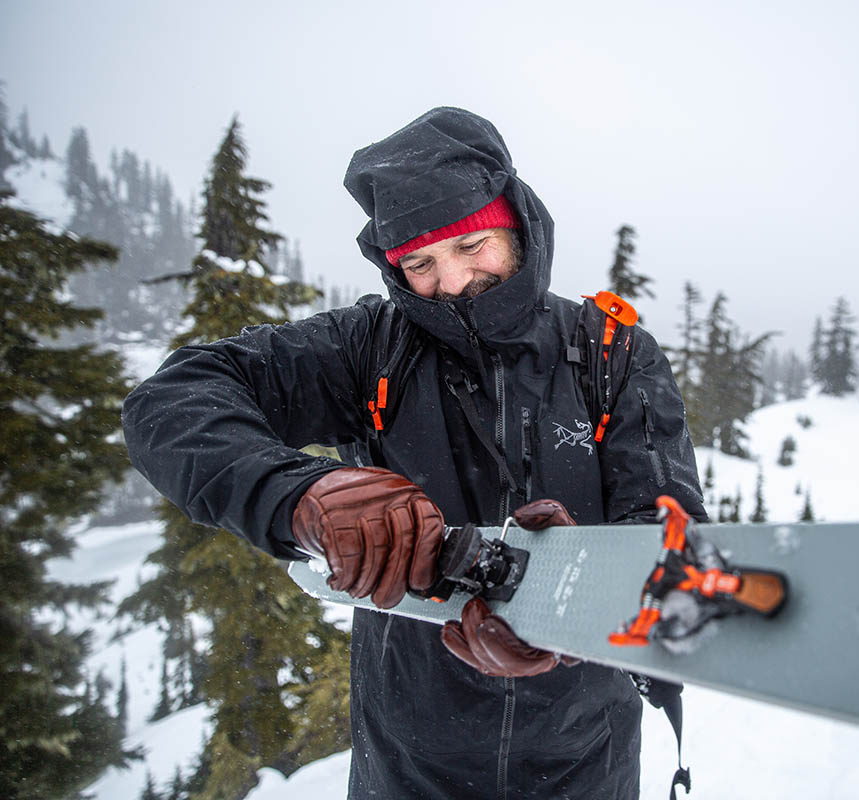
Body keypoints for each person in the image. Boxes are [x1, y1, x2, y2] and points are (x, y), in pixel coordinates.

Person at [123, 106, 706, 799]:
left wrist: (568, 615)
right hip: (408, 764)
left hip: (586, 759)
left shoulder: (611, 353)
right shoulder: (369, 349)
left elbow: (667, 531)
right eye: (421, 263)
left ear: (516, 223)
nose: (453, 282)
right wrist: (300, 496)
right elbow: (173, 399)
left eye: (473, 245)